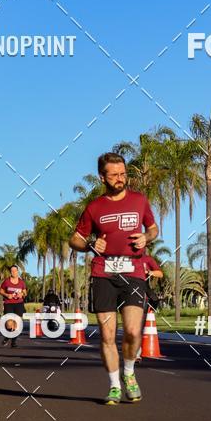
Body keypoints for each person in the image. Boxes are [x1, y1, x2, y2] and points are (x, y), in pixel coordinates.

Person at [69, 152, 158, 405]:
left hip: (133, 272)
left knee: (131, 332)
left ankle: (129, 373)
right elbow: (74, 239)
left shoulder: (139, 201)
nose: (121, 179)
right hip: (103, 273)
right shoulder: (94, 207)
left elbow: (152, 228)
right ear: (102, 177)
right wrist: (89, 245)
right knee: (108, 336)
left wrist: (146, 238)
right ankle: (114, 385)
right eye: (115, 175)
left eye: (123, 173)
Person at [136, 255, 164, 363]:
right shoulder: (126, 257)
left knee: (139, 326)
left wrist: (150, 272)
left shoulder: (147, 259)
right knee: (132, 326)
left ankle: (136, 354)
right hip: (128, 293)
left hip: (143, 294)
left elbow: (160, 274)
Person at [0, 264, 27, 348]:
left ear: (17, 271)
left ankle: (13, 342)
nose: (14, 272)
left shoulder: (21, 282)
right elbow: (0, 291)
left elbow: (25, 292)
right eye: (12, 271)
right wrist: (7, 295)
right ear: (10, 272)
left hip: (19, 303)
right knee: (9, 323)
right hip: (9, 303)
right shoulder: (6, 281)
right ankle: (7, 337)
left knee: (17, 323)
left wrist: (21, 294)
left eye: (15, 270)